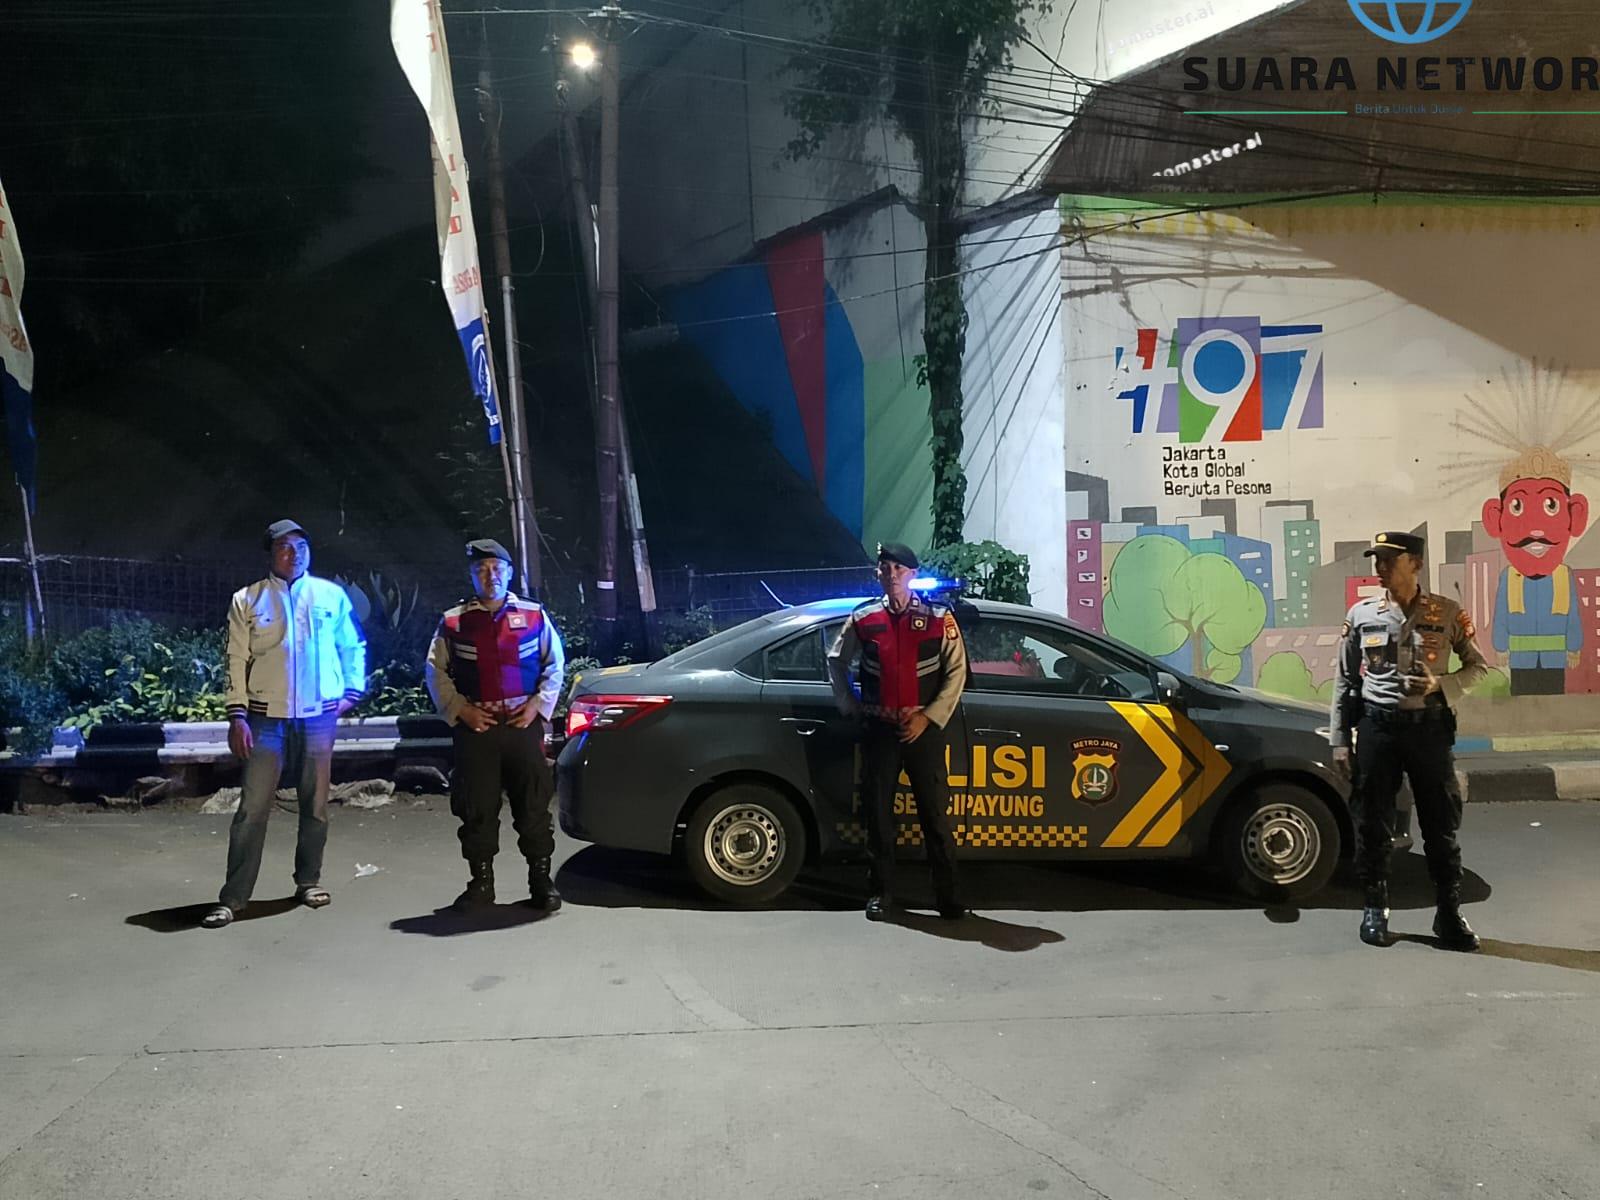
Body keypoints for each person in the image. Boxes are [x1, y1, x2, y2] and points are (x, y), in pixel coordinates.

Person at [202, 519, 367, 929]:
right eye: (285, 548)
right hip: (264, 718)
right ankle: (234, 897)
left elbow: (352, 645)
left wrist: (351, 690)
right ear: (271, 554)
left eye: (301, 547)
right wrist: (236, 716)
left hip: (318, 717)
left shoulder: (330, 596)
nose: (294, 554)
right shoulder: (247, 599)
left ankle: (308, 881)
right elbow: (235, 659)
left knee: (316, 805)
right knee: (252, 809)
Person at [1330, 531, 1488, 951]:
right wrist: (1340, 739)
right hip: (1378, 729)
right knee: (1372, 823)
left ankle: (1448, 912)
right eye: (1376, 560)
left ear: (1415, 564)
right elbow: (1345, 681)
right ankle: (1375, 908)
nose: (1379, 568)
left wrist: (1441, 685)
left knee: (1440, 824)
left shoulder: (1447, 612)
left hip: (1429, 729)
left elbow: (1478, 668)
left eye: (1389, 560)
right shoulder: (1362, 614)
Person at [827, 542, 970, 921]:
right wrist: (850, 704)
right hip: (880, 731)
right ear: (877, 574)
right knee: (878, 816)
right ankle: (881, 893)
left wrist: (929, 717)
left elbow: (957, 672)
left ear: (912, 574)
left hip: (924, 732)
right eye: (885, 568)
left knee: (935, 817)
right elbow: (836, 661)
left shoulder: (939, 616)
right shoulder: (863, 618)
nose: (892, 575)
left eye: (899, 569)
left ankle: (949, 898)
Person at [425, 539, 565, 913]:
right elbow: (435, 671)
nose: (491, 576)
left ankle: (541, 882)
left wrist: (538, 705)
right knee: (476, 808)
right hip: (476, 731)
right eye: (481, 570)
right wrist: (460, 709)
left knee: (533, 805)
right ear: (472, 575)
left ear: (509, 573)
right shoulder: (453, 621)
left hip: (523, 727)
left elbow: (554, 665)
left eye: (497, 568)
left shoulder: (534, 616)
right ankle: (481, 884)